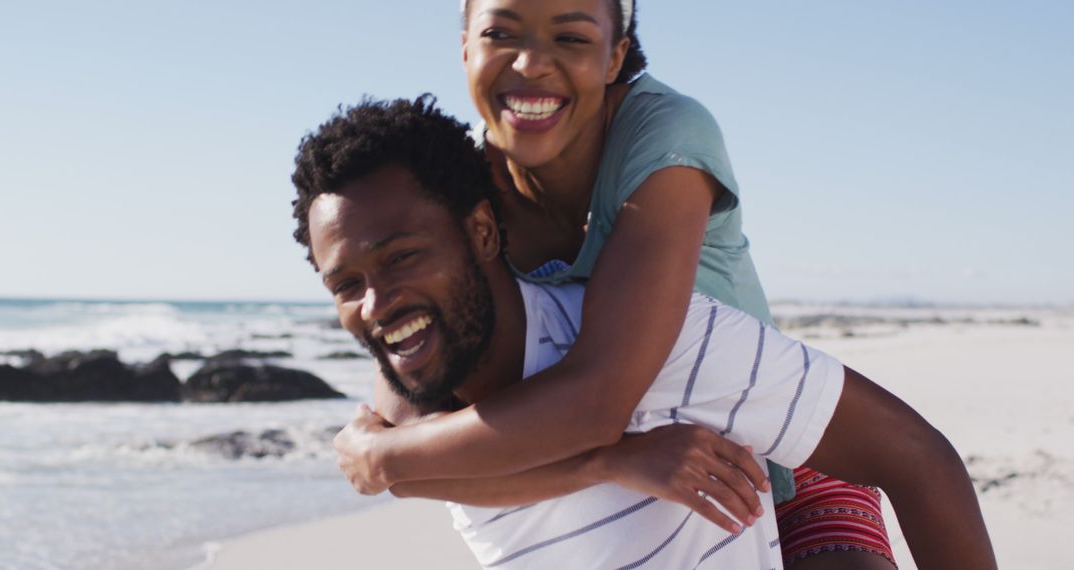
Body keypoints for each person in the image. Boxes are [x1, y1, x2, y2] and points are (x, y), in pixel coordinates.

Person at [290, 96, 995, 569]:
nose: (375, 304)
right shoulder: (411, 414)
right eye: (345, 285)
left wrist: (384, 462)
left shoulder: (662, 342)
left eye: (403, 256)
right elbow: (422, 470)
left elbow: (920, 461)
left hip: (798, 470)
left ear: (480, 230)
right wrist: (612, 461)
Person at [330, 0, 907, 567]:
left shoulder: (664, 137)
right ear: (465, 49)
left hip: (781, 444)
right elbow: (415, 450)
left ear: (615, 56)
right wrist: (390, 457)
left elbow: (594, 404)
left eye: (571, 37)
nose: (531, 63)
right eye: (502, 34)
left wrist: (380, 458)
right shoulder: (462, 195)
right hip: (654, 468)